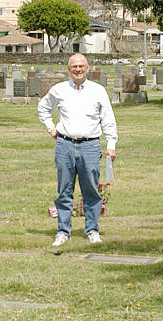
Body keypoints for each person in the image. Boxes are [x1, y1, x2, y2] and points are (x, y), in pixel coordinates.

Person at [37, 53, 118, 246]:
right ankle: (63, 231)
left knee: (91, 189)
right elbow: (43, 108)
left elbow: (108, 119)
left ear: (88, 68)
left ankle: (92, 230)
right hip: (64, 145)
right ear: (69, 69)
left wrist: (111, 144)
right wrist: (51, 127)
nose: (78, 70)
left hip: (90, 145)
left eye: (81, 66)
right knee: (64, 190)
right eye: (74, 67)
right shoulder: (59, 90)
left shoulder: (98, 91)